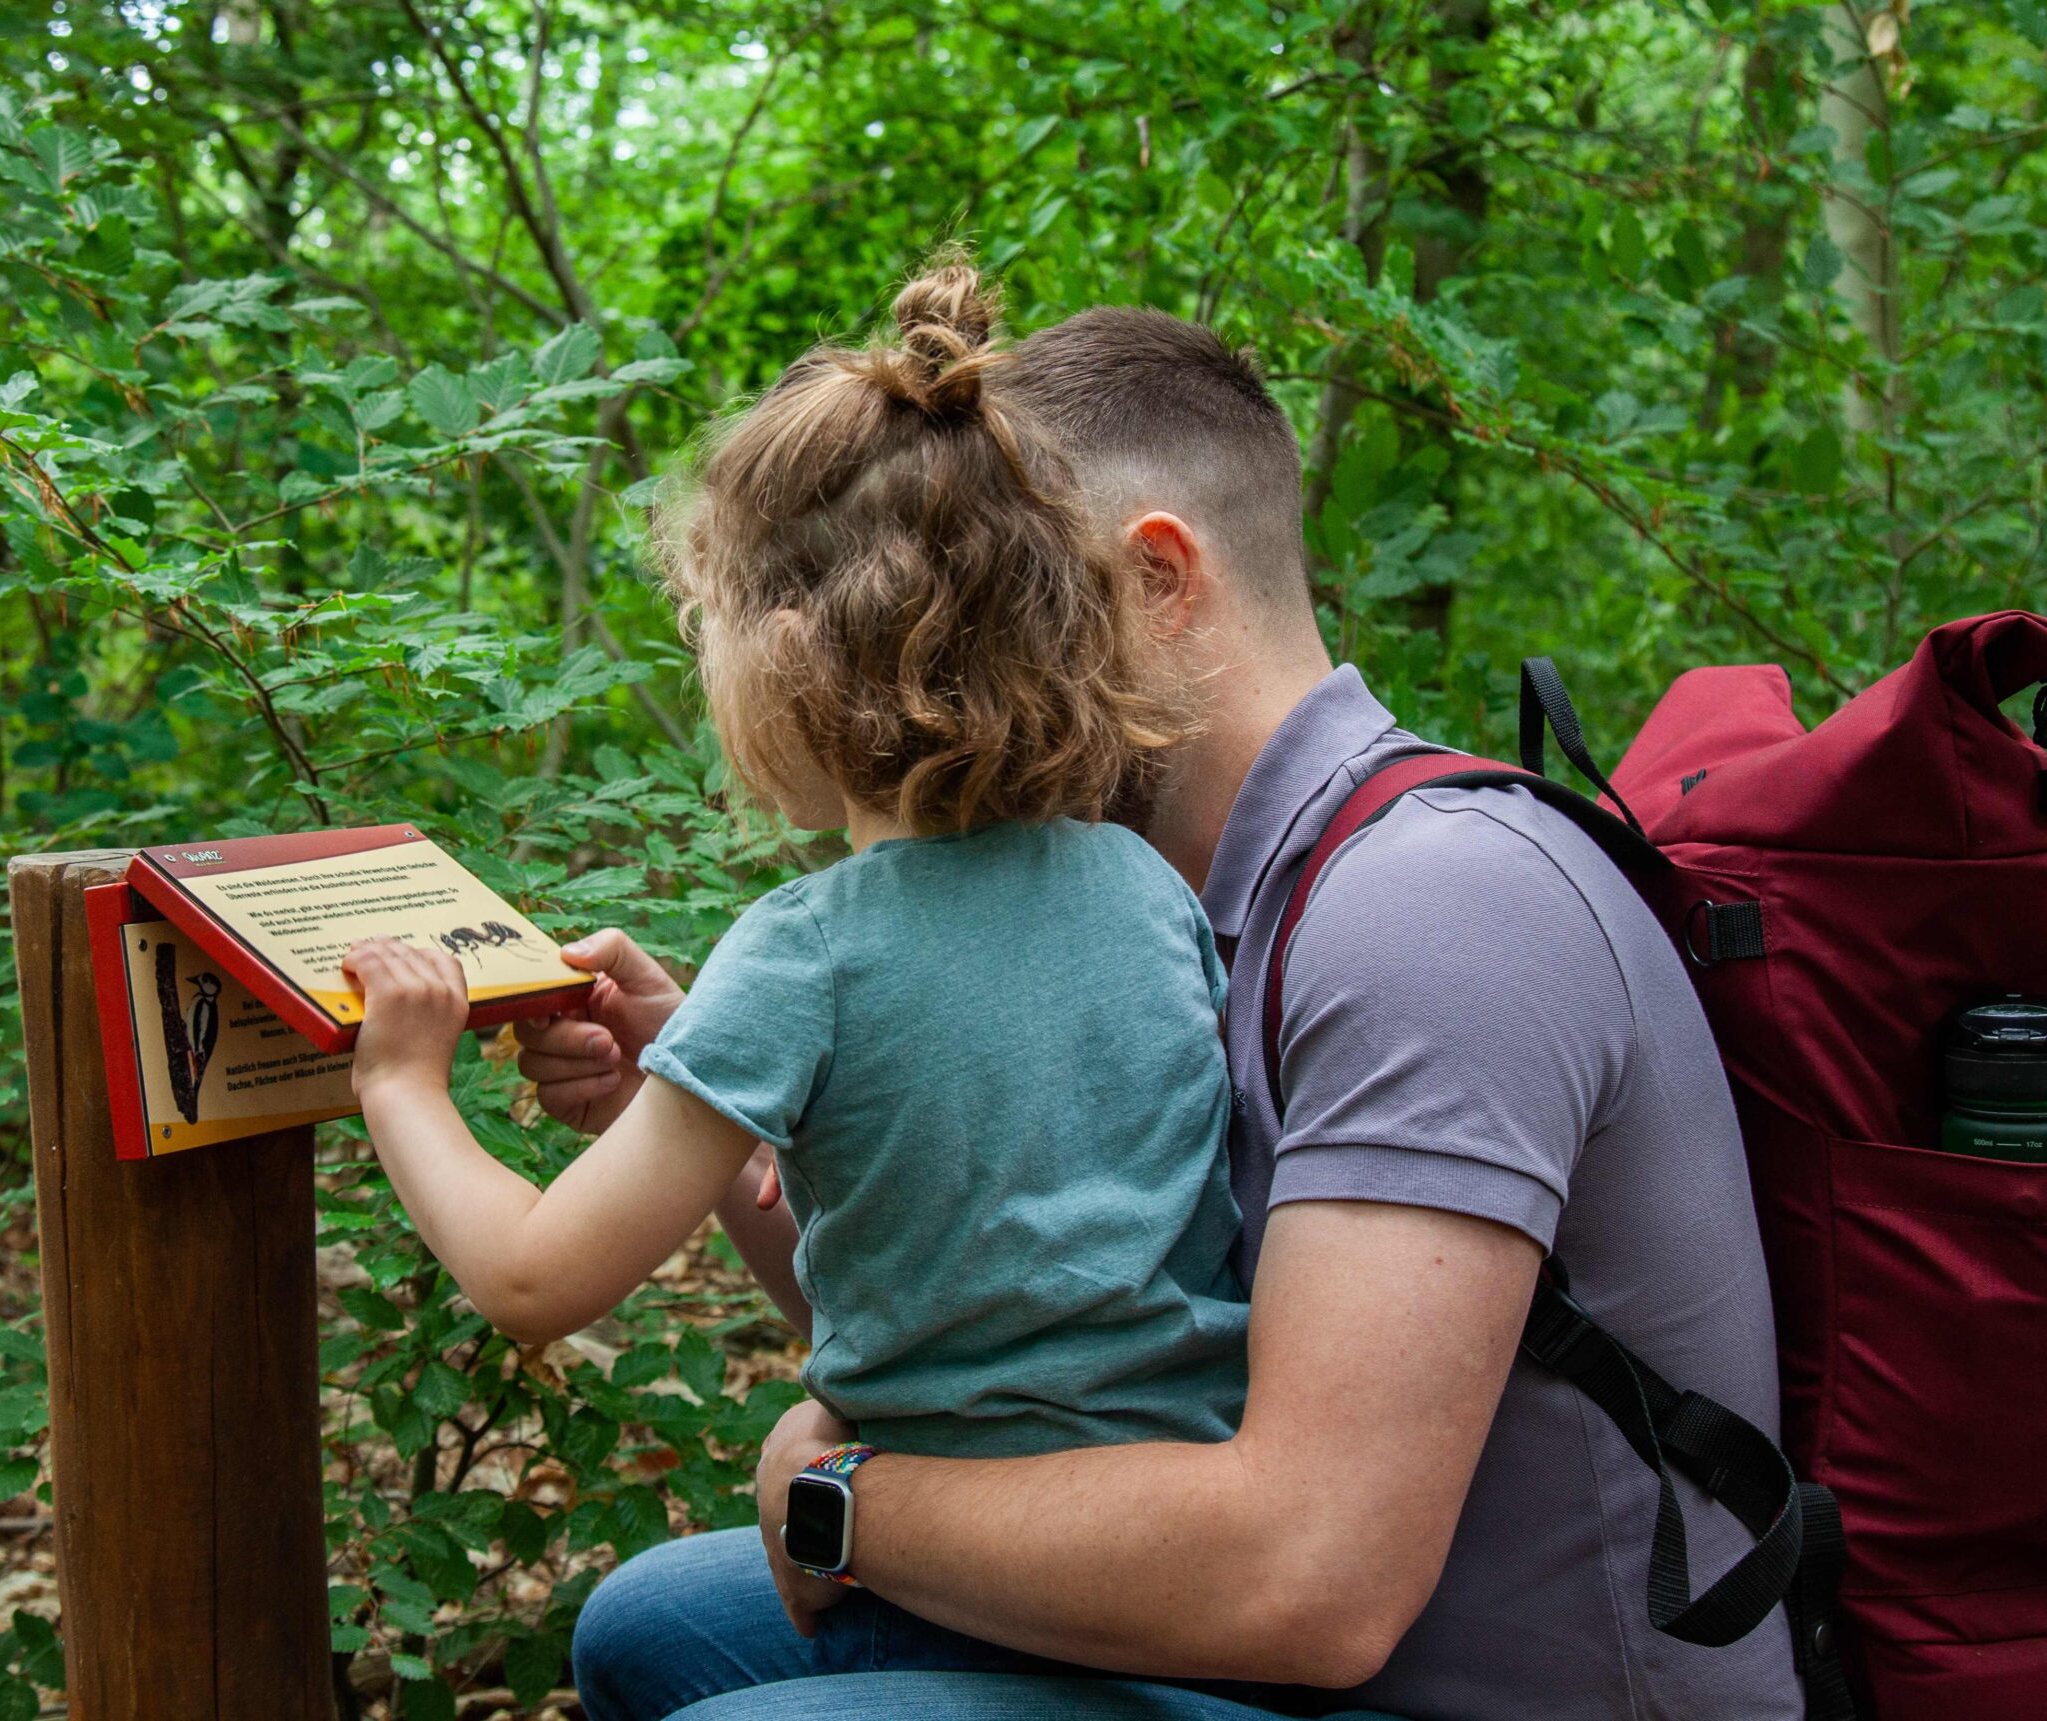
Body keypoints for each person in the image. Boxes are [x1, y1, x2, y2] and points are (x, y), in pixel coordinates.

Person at [531, 297, 1804, 1720]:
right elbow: (986, 1326)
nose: (937, 668)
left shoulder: (1431, 914)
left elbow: (1308, 1584)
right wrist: (749, 1099)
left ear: (1155, 579)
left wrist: (839, 1501)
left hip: (1451, 1686)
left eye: (1007, 599)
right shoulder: (1169, 898)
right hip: (1279, 1659)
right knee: (648, 1630)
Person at [344, 270, 1260, 1548]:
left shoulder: (807, 949)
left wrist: (401, 1080)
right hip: (1166, 1531)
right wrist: (700, 1049)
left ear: (781, 660)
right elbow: (963, 1220)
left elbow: (533, 1276)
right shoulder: (1142, 884)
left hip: (955, 1560)